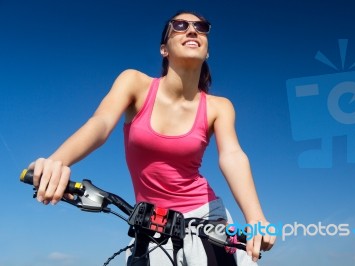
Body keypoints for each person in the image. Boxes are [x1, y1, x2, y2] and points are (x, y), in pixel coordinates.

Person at [28, 10, 276, 265]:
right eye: (180, 25)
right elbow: (100, 124)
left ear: (207, 51)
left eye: (201, 27)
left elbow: (232, 156)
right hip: (150, 222)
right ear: (163, 49)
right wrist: (57, 161)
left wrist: (255, 216)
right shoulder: (134, 83)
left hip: (207, 218)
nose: (192, 30)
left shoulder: (219, 106)